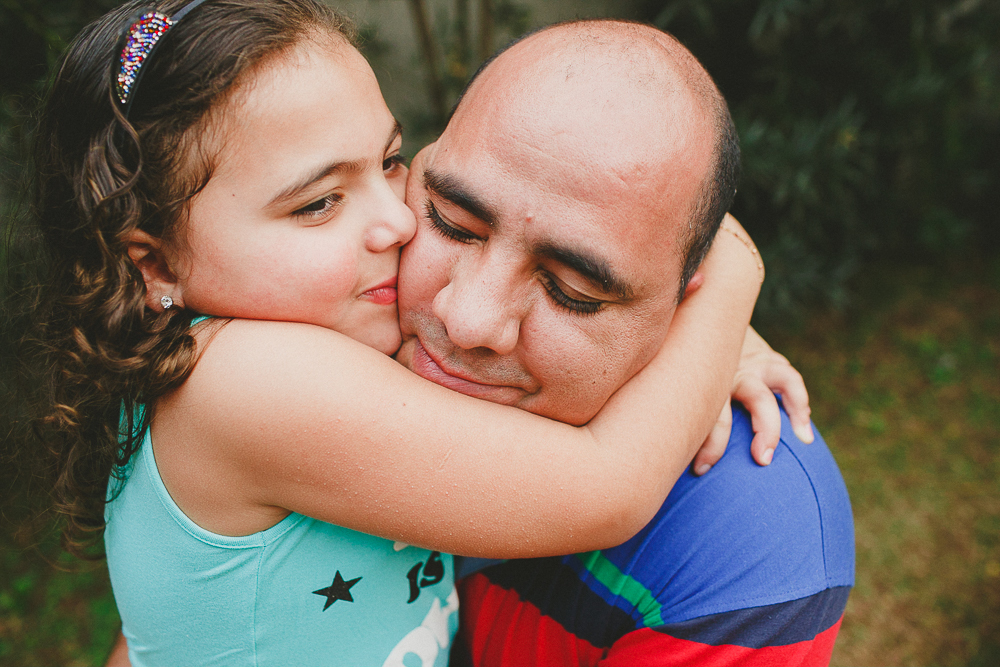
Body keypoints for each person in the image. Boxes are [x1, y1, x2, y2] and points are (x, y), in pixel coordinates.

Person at [28, 1, 792, 665]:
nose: (397, 219)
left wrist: (686, 324)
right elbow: (608, 485)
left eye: (390, 161)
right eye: (318, 203)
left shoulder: (289, 331)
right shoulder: (243, 378)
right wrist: (729, 275)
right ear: (156, 263)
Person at [390, 20, 855, 667]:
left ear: (683, 300)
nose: (467, 319)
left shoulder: (747, 543)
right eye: (451, 222)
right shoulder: (312, 294)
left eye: (573, 290)